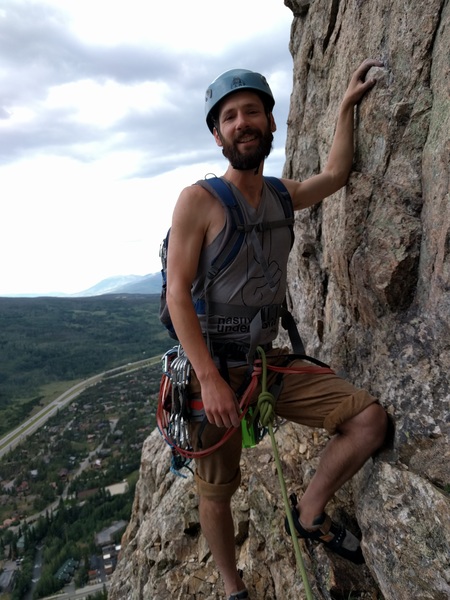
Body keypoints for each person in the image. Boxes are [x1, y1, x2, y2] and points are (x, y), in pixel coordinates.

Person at [165, 59, 388, 599]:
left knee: (368, 421)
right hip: (213, 372)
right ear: (218, 136)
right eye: (230, 117)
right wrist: (210, 378)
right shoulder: (198, 201)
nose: (243, 122)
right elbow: (178, 294)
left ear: (269, 124)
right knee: (216, 491)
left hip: (266, 364)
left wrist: (344, 108)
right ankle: (234, 588)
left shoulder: (280, 196)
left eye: (252, 112)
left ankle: (308, 513)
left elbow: (332, 177)